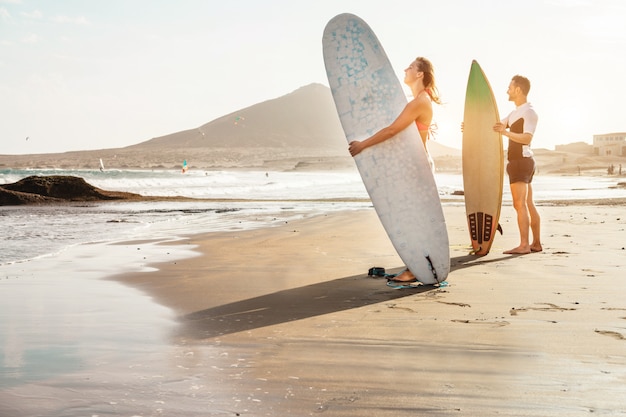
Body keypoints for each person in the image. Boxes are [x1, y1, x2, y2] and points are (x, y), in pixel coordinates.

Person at [348, 56, 441, 283]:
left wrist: (362, 145)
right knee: (412, 217)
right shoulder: (420, 100)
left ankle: (414, 269)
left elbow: (391, 131)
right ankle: (418, 266)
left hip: (418, 168)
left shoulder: (419, 102)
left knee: (412, 219)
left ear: (420, 74)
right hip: (417, 166)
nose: (405, 70)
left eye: (410, 67)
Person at [493, 75, 542, 254]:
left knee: (519, 204)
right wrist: (470, 126)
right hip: (523, 161)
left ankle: (524, 245)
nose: (507, 90)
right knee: (528, 202)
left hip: (521, 162)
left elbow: (527, 138)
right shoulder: (514, 113)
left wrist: (505, 133)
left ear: (518, 90)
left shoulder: (529, 112)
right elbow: (496, 126)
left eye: (510, 87)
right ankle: (535, 244)